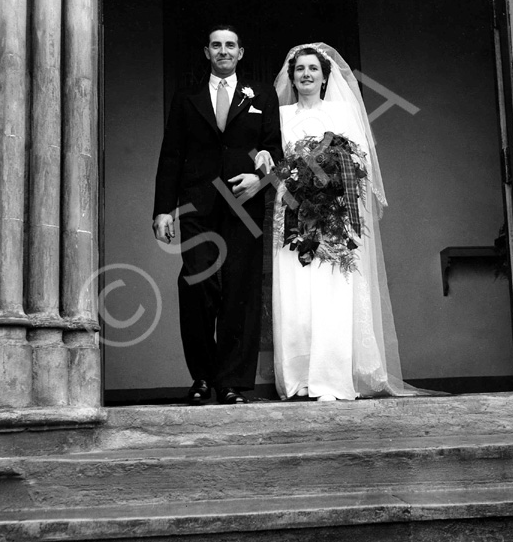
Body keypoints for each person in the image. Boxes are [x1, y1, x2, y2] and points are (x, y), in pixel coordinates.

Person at [272, 43, 413, 401]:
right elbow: (275, 163)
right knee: (297, 294)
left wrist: (331, 185)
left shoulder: (340, 111)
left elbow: (357, 161)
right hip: (293, 212)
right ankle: (299, 377)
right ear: (291, 76)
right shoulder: (281, 115)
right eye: (299, 69)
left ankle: (330, 379)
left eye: (313, 69)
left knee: (331, 293)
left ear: (324, 76)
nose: (306, 74)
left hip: (334, 213)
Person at [153, 26, 282, 405]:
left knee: (240, 291)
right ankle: (202, 377)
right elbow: (171, 156)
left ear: (241, 52)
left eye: (230, 45)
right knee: (196, 284)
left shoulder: (262, 95)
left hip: (245, 205)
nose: (223, 51)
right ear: (206, 52)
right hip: (196, 205)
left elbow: (278, 152)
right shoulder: (186, 97)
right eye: (216, 45)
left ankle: (231, 383)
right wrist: (163, 208)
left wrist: (261, 181)